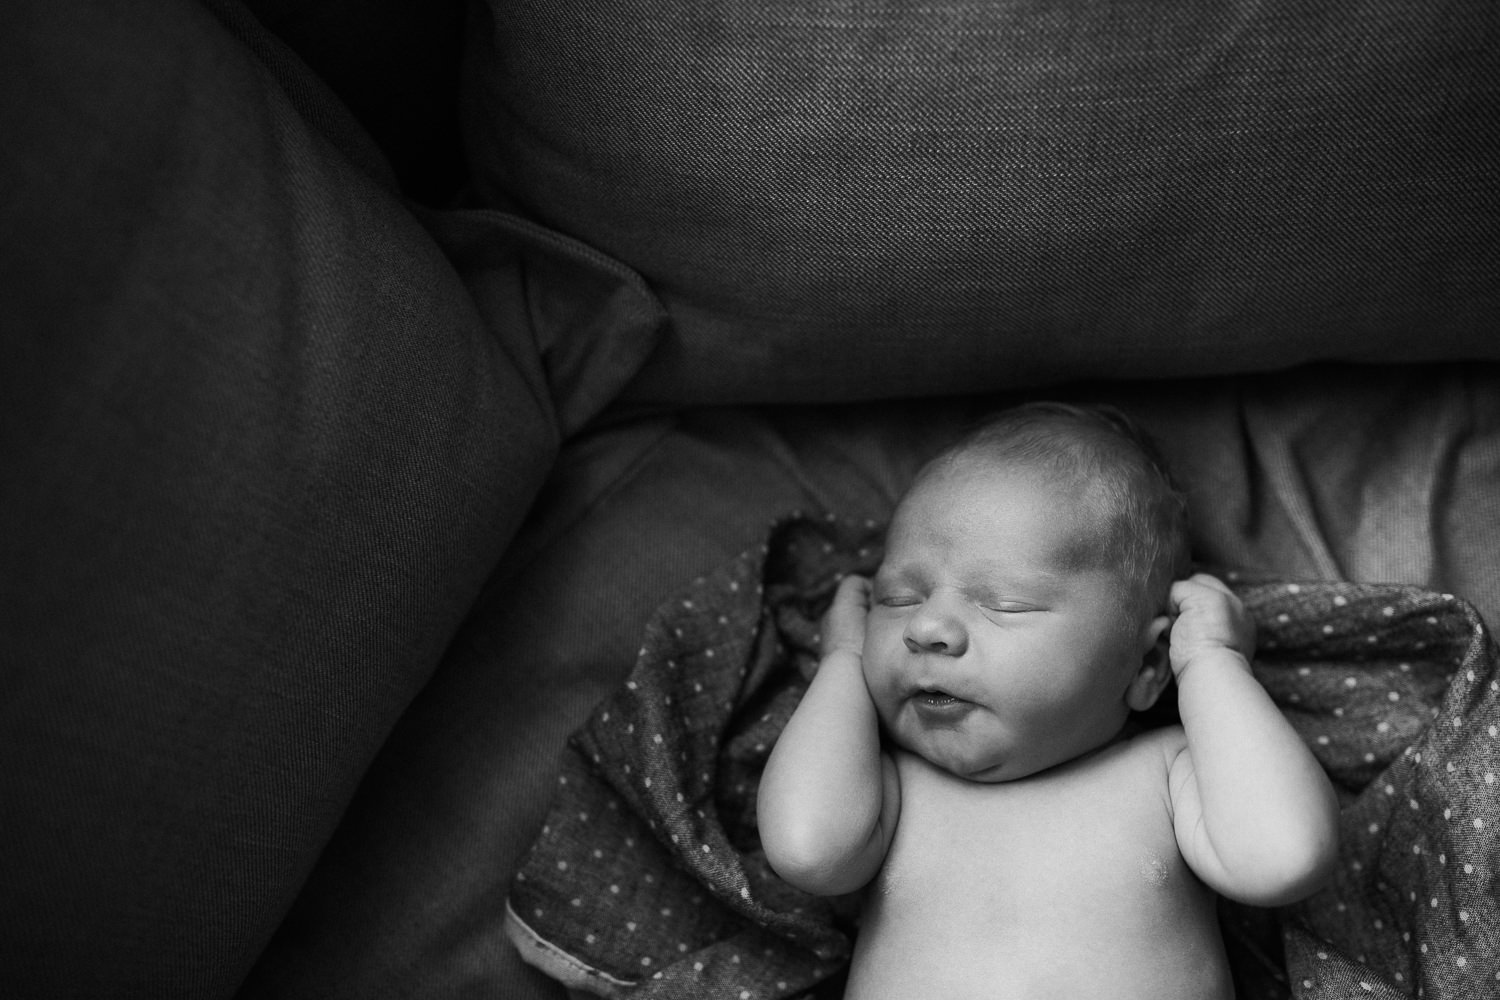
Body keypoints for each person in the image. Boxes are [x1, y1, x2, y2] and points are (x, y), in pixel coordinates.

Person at [757, 402, 1340, 999]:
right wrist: (842, 663)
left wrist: (1213, 661)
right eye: (897, 597)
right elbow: (806, 851)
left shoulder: (1169, 774)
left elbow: (1286, 856)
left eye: (1004, 603)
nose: (926, 626)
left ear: (1145, 664)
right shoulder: (885, 788)